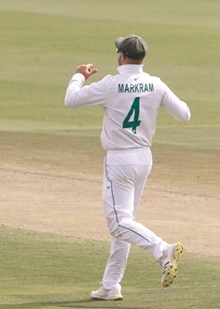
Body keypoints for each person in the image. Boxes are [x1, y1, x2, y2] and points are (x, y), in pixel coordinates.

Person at [64, 35, 191, 300]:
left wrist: (79, 76)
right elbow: (184, 115)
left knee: (119, 223)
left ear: (121, 56)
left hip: (120, 159)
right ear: (142, 58)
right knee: (127, 222)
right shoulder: (155, 84)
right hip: (144, 158)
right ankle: (111, 285)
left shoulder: (111, 84)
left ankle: (162, 250)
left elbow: (71, 100)